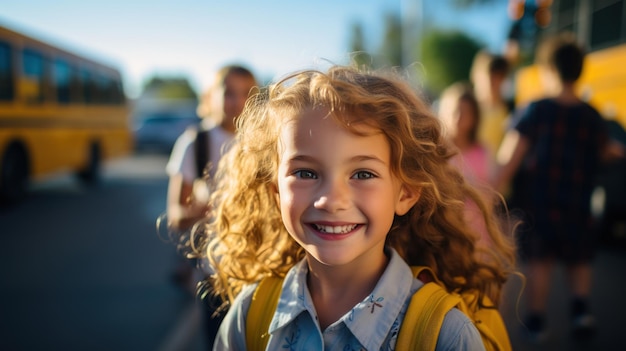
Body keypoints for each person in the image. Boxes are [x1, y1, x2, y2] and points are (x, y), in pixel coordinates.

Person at [194, 65, 516, 350]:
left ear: (406, 192)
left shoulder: (446, 336)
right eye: (305, 173)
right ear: (276, 192)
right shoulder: (249, 316)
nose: (332, 200)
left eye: (363, 174)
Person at [493, 33, 626, 342]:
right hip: (579, 202)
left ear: (549, 70)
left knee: (541, 262)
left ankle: (537, 321)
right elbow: (607, 150)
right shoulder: (592, 115)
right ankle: (581, 312)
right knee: (579, 259)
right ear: (580, 70)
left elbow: (510, 159)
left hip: (541, 204)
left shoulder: (534, 109)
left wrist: (492, 189)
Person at [165, 64, 258, 347]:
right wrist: (209, 208)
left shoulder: (260, 141)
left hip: (259, 265)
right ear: (210, 96)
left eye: (247, 94)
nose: (238, 102)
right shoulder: (196, 141)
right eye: (229, 92)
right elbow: (175, 216)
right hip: (215, 269)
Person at [438, 82, 495, 249]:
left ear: (475, 117)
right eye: (454, 111)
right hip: (445, 234)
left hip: (477, 235)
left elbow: (489, 194)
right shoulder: (437, 152)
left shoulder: (483, 152)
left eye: (464, 113)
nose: (458, 118)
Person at [470, 50, 512, 158]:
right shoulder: (465, 109)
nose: (494, 81)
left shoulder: (512, 111)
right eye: (489, 75)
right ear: (475, 75)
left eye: (499, 76)